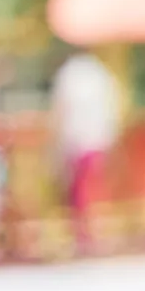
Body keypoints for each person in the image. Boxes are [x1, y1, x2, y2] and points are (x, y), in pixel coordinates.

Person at [54, 49, 121, 255]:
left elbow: (61, 109)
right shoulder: (100, 73)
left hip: (78, 140)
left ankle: (86, 236)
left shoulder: (71, 73)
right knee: (91, 188)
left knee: (82, 191)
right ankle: (92, 234)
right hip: (95, 140)